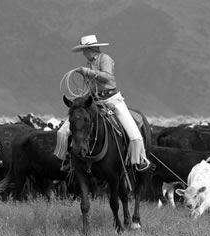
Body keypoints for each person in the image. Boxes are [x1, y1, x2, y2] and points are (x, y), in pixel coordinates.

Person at [54, 34, 150, 172]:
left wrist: (87, 72)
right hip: (95, 100)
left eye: (84, 50)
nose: (83, 53)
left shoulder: (105, 59)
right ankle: (69, 159)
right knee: (64, 130)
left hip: (112, 99)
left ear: (90, 49)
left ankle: (138, 159)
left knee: (133, 131)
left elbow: (108, 77)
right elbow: (93, 85)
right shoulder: (90, 63)